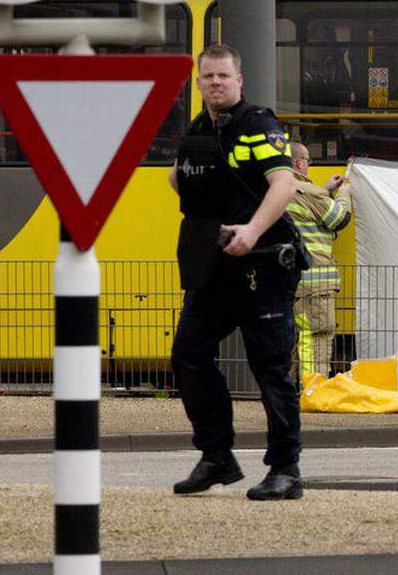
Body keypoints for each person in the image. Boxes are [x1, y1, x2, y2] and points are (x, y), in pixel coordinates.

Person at [167, 43, 304, 501]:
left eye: (223, 76)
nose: (215, 83)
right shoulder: (197, 128)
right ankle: (216, 456)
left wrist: (251, 229)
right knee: (187, 354)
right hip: (213, 268)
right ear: (199, 81)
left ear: (239, 80)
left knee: (271, 370)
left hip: (262, 267)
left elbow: (284, 182)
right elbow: (178, 178)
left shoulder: (257, 124)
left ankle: (286, 470)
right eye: (208, 77)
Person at [287, 142, 352, 378]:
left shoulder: (280, 188)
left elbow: (308, 209)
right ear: (299, 162)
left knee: (298, 339)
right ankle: (314, 389)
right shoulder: (305, 191)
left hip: (292, 283)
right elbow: (339, 218)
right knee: (317, 337)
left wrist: (325, 189)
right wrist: (344, 195)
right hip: (315, 285)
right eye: (307, 160)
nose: (308, 164)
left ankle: (292, 393)